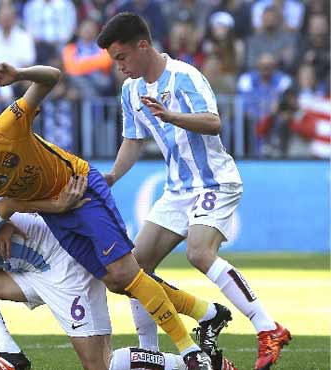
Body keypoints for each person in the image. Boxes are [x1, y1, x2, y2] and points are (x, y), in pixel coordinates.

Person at [0, 62, 222, 370]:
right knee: (115, 282)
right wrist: (3, 225)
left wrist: (20, 75)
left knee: (126, 273)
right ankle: (207, 313)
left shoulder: (6, 127)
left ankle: (190, 352)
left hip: (81, 189)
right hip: (55, 212)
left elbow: (52, 77)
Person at [96, 12, 291, 370]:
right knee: (132, 269)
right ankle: (149, 352)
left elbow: (214, 121)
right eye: (114, 61)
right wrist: (113, 176)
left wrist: (171, 116)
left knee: (199, 252)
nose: (119, 67)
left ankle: (268, 328)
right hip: (177, 190)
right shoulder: (131, 90)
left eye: (121, 57)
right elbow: (133, 140)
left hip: (215, 181)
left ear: (143, 45)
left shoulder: (185, 77)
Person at [0, 182, 220, 370]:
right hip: (29, 274)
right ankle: (9, 355)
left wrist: (59, 205)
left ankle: (192, 364)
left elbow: (13, 200)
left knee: (100, 364)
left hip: (61, 264)